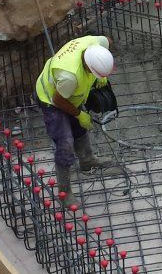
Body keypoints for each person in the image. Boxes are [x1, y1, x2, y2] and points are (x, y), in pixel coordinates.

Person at [35, 34, 114, 194]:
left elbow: (108, 40)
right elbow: (58, 100)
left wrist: (101, 78)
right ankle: (65, 192)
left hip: (69, 94)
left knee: (79, 129)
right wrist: (79, 114)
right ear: (88, 66)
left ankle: (87, 161)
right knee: (65, 142)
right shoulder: (69, 76)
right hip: (51, 99)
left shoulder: (96, 45)